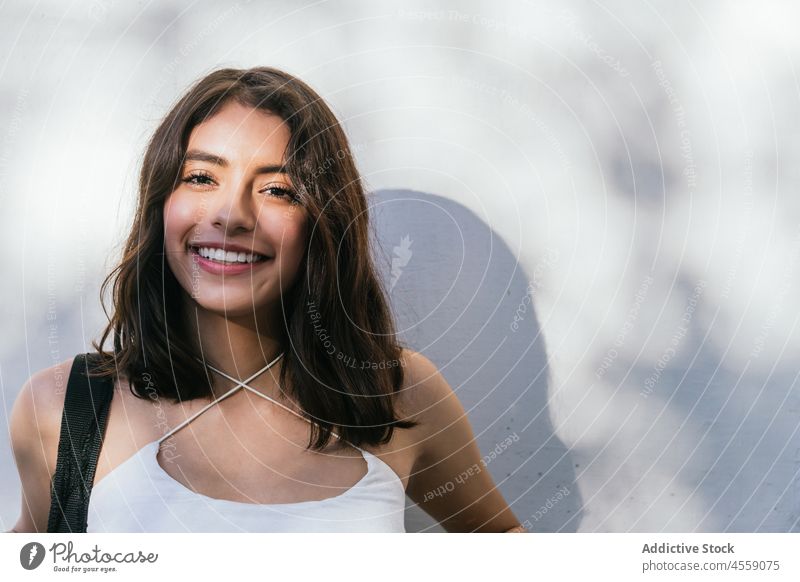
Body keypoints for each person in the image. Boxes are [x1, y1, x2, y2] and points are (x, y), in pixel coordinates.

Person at [8, 66, 525, 533]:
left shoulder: (399, 393)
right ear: (161, 202)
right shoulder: (61, 408)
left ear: (323, 224)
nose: (231, 215)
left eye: (278, 190)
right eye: (201, 177)